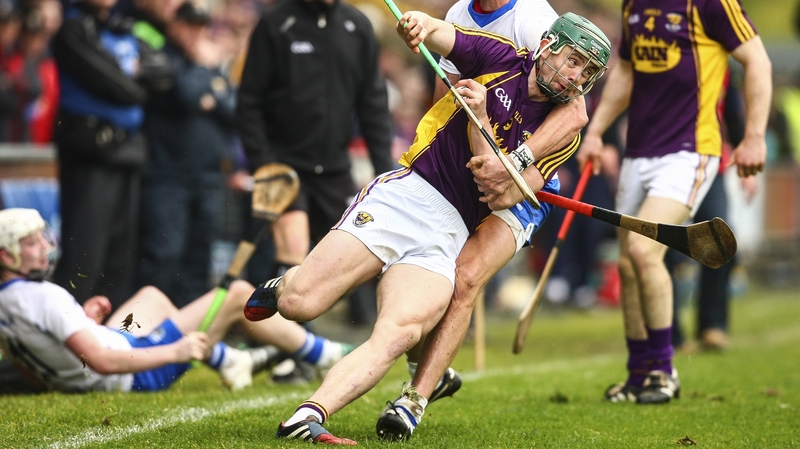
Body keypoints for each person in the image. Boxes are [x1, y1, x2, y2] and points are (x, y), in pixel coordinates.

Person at [244, 10, 609, 444]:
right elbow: (445, 34)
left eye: (587, 72)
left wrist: (483, 125)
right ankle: (286, 284)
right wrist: (418, 23)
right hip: (407, 196)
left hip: (449, 232)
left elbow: (503, 194)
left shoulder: (563, 135)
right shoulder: (504, 55)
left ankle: (308, 414)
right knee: (301, 305)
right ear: (548, 47)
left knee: (400, 332)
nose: (575, 78)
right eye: (573, 61)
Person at [375, 0, 602, 441]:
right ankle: (429, 368)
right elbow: (449, 90)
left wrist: (517, 164)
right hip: (476, 161)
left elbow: (575, 112)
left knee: (465, 277)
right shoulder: (460, 13)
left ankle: (412, 403)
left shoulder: (533, 17)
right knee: (430, 270)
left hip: (530, 177)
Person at [578, 0, 772, 404]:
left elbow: (758, 61)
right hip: (639, 152)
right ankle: (637, 376)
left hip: (689, 151)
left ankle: (664, 373)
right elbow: (626, 71)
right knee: (628, 263)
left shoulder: (711, 4)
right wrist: (596, 131)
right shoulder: (633, 4)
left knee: (644, 250)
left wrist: (753, 136)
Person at [0, 207, 354, 393]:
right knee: (235, 293)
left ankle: (228, 360)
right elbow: (103, 362)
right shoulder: (43, 296)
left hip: (113, 347)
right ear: (7, 255)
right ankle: (322, 354)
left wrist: (83, 325)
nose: (45, 247)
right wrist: (176, 352)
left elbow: (32, 369)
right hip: (134, 368)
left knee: (151, 298)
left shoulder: (9, 304)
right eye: (31, 243)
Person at [235, 0, 394, 325]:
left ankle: (287, 337)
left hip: (336, 169)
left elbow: (373, 105)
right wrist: (264, 164)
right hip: (284, 167)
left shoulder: (357, 26)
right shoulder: (275, 24)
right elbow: (248, 102)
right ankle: (291, 351)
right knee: (292, 254)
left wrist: (385, 173)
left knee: (353, 258)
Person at [50, 0, 173, 309]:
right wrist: (137, 83)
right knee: (85, 257)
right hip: (90, 154)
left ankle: (109, 344)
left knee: (119, 261)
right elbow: (115, 84)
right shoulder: (74, 29)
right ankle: (67, 342)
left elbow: (166, 74)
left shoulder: (125, 28)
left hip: (127, 153)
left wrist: (135, 74)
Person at [136, 1, 238, 307]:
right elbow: (186, 94)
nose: (196, 33)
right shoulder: (162, 57)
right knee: (164, 256)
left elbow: (234, 108)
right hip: (167, 176)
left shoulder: (205, 64)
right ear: (174, 24)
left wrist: (212, 93)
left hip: (207, 176)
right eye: (189, 24)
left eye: (201, 26)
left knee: (199, 259)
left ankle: (186, 332)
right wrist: (207, 73)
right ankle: (142, 326)